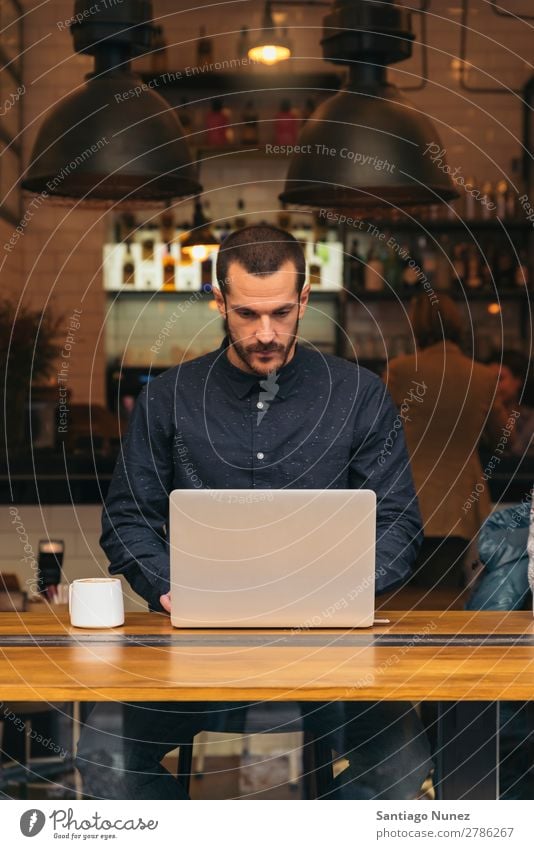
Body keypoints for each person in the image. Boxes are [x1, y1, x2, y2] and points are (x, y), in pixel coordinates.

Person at [75, 225, 431, 799]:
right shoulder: (169, 397)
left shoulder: (359, 395)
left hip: (330, 654)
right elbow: (126, 517)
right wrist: (168, 588)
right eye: (245, 314)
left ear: (305, 299)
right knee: (104, 758)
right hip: (193, 654)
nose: (265, 333)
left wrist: (343, 592)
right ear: (218, 301)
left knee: (401, 768)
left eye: (281, 313)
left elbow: (397, 522)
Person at [385, 293, 508, 591]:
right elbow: (503, 434)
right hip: (457, 504)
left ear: (416, 327)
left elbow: (377, 434)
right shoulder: (482, 376)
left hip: (403, 501)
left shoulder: (401, 370)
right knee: (442, 599)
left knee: (394, 600)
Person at [487, 349, 534, 457]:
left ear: (518, 380)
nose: (494, 386)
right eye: (490, 380)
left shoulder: (530, 418)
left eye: (500, 379)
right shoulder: (482, 420)